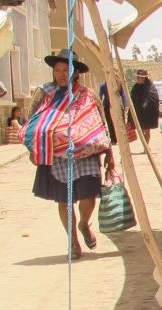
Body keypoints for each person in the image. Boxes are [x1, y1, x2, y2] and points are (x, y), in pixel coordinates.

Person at [28, 49, 114, 260]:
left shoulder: (88, 95)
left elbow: (101, 123)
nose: (60, 74)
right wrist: (34, 147)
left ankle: (84, 223)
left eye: (66, 69)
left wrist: (109, 154)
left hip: (86, 153)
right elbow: (33, 122)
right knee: (64, 200)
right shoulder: (45, 94)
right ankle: (73, 243)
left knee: (88, 196)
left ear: (76, 73)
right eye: (57, 70)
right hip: (57, 156)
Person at [128, 69, 160, 143]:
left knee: (147, 130)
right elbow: (132, 99)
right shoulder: (136, 87)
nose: (140, 79)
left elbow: (154, 98)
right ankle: (145, 145)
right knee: (141, 130)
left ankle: (147, 146)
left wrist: (146, 105)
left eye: (142, 77)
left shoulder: (150, 87)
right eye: (139, 77)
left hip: (148, 112)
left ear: (145, 78)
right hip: (139, 112)